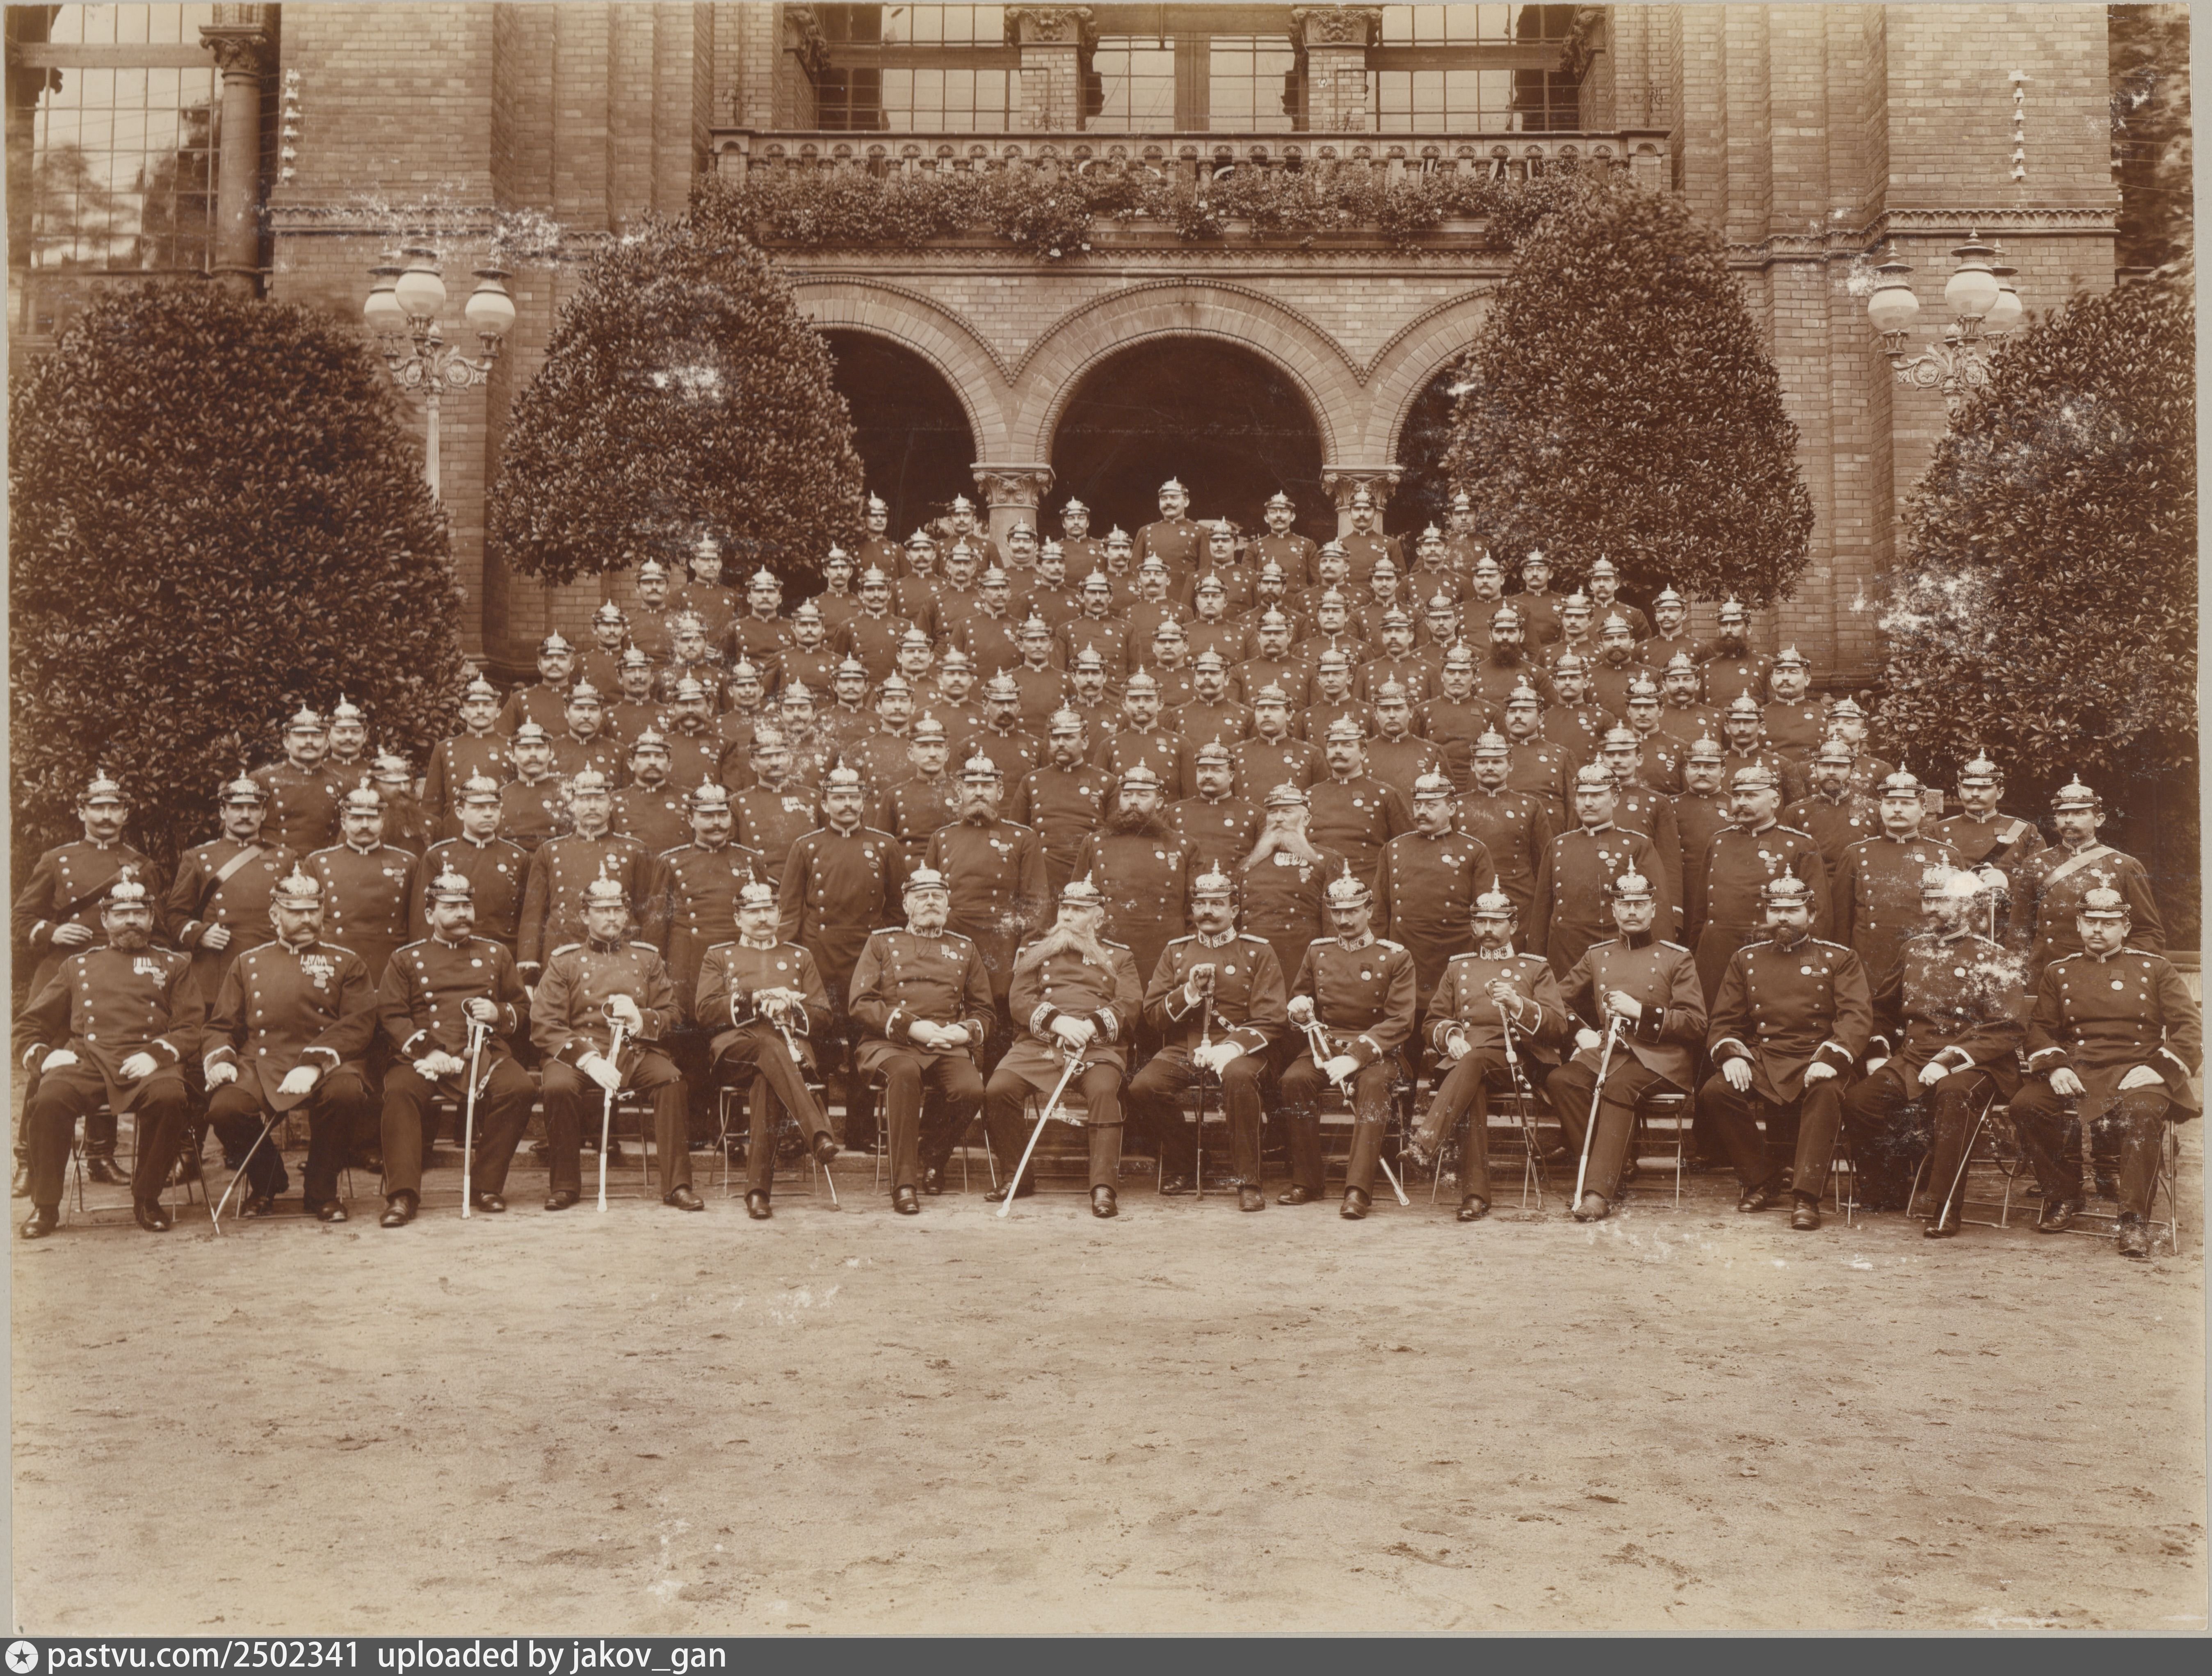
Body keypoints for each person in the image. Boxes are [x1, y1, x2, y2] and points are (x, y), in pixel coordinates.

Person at [2012, 887, 2199, 1257]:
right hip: (2079, 1068)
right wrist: (2055, 1066)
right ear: (2079, 924)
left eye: (2108, 923)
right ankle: (2064, 1195)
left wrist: (2158, 1069)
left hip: (2138, 1069)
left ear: (2125, 927)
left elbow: (2190, 1027)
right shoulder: (2058, 971)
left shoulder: (2155, 968)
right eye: (2091, 921)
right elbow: (2041, 1029)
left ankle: (2133, 1221)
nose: (2098, 929)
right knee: (2026, 1106)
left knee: (2142, 1112)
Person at [14, 872, 202, 1238]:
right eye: (121, 913)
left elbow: (191, 1026)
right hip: (88, 1061)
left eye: (139, 913)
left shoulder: (174, 965)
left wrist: (158, 1054)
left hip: (147, 1062)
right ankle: (45, 1206)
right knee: (49, 1098)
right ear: (105, 919)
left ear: (152, 918)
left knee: (169, 1097)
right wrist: (44, 1057)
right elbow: (29, 1024)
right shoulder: (77, 966)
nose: (131, 920)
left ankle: (148, 1198)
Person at [1840, 866, 2027, 1233]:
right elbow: (1882, 1008)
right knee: (1860, 1101)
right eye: (1927, 900)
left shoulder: (1995, 957)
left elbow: (2008, 1026)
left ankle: (1943, 1205)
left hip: (1976, 1064)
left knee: (1953, 1094)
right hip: (1914, 1058)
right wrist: (1877, 1051)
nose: (1931, 909)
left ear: (1967, 904)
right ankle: (1887, 1190)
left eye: (1943, 900)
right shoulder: (1912, 950)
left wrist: (1948, 1060)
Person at [196, 863, 379, 1225]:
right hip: (260, 1060)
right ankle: (266, 1179)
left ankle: (322, 1190)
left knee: (345, 1094)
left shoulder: (347, 962)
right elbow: (221, 1025)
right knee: (225, 1109)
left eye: (314, 910)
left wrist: (313, 1064)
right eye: (296, 911)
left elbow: (358, 1023)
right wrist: (221, 1060)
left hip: (329, 1061)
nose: (307, 919)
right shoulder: (247, 962)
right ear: (275, 915)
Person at [1699, 874, 1872, 1231]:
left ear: (1811, 913)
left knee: (1825, 1092)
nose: (1782, 917)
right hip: (1766, 1055)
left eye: (1792, 910)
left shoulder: (1839, 958)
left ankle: (1806, 1196)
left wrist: (1831, 1058)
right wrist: (1732, 1054)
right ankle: (1761, 1179)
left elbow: (1855, 1017)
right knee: (1716, 1091)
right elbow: (1724, 1020)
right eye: (1774, 909)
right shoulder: (1746, 959)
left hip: (1818, 1056)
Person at [530, 873, 701, 1213]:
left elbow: (672, 1013)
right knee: (557, 1087)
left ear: (626, 915)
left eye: (618, 910)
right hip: (579, 1055)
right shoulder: (564, 961)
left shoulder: (647, 959)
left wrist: (640, 1018)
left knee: (671, 1080)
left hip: (633, 1051)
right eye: (602, 910)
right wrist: (589, 1059)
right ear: (585, 916)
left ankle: (678, 1185)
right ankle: (564, 1184)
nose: (611, 917)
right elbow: (545, 1023)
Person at [377, 867, 536, 1222]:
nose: (462, 913)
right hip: (422, 1055)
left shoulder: (496, 953)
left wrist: (498, 1012)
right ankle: (402, 1195)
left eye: (467, 905)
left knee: (520, 1088)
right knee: (400, 1092)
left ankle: (486, 1185)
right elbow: (391, 1015)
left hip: (482, 1051)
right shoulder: (405, 958)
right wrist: (429, 1051)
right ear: (429, 914)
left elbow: (523, 1009)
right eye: (450, 907)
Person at [1547, 871, 1706, 1222]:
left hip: (1660, 1058)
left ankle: (1598, 1192)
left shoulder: (1676, 958)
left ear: (1653, 910)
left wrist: (1640, 1011)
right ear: (1614, 910)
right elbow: (1554, 999)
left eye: (1639, 904)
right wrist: (1579, 1031)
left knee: (1618, 1085)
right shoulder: (1597, 955)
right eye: (1624, 904)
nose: (1632, 911)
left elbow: (1695, 1023)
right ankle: (1616, 1167)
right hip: (1609, 1052)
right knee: (1563, 1080)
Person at [982, 878, 1144, 1218]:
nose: (1068, 916)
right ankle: (1018, 1175)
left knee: (1104, 1090)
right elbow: (1019, 1000)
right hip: (1039, 1045)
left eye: (1079, 910)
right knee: (998, 1089)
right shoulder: (1034, 952)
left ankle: (1103, 1186)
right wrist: (1058, 1023)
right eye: (1065, 908)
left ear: (1098, 918)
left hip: (1096, 1046)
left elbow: (1129, 1003)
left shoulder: (1120, 956)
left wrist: (1090, 1026)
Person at [1403, 882, 1565, 1223]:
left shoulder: (1535, 968)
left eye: (1496, 922)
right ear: (1473, 926)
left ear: (1513, 925)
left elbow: (1557, 1026)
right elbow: (1431, 1021)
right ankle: (1475, 1196)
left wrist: (1518, 1004)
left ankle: (1426, 1143)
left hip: (1516, 1059)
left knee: (1472, 1061)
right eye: (1481, 922)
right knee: (1471, 1080)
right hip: (1467, 1063)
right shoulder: (1457, 968)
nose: (1488, 929)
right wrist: (1451, 1036)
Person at [1128, 865, 1287, 1210]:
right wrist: (1187, 993)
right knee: (1143, 1087)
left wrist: (1231, 1047)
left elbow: (1273, 1018)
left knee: (1238, 1077)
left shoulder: (1257, 951)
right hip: (1185, 1048)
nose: (1207, 911)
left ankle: (1248, 1180)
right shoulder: (1176, 952)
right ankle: (1188, 1160)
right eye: (1200, 904)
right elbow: (1153, 1015)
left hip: (1244, 1050)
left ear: (1234, 910)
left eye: (1217, 904)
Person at [848, 867, 995, 1211]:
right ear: (906, 904)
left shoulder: (965, 948)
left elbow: (984, 1011)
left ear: (947, 903)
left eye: (937, 896)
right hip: (891, 1043)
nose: (931, 902)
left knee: (971, 1090)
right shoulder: (881, 942)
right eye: (922, 896)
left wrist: (963, 1031)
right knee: (904, 1074)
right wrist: (912, 1027)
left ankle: (933, 1157)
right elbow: (861, 1002)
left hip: (945, 1043)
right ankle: (904, 1184)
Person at [1279, 866, 1418, 1219]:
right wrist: (1299, 1011)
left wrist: (1356, 1056)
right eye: (1337, 912)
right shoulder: (1318, 952)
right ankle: (1307, 1180)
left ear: (1369, 911)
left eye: (1352, 911)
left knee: (1372, 1085)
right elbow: (1300, 1002)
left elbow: (1401, 1020)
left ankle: (1358, 1188)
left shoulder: (1395, 956)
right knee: (1294, 1080)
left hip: (1377, 1052)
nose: (1343, 920)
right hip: (1326, 1047)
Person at [699, 880, 838, 1220]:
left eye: (768, 910)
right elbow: (705, 1011)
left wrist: (790, 1010)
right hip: (736, 1049)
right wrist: (757, 999)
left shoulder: (800, 956)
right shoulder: (719, 955)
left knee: (767, 1078)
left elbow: (823, 1015)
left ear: (779, 913)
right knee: (766, 1048)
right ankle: (817, 1131)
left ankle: (758, 1193)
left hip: (786, 1053)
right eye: (753, 911)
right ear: (738, 918)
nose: (762, 917)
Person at [777, 765, 898, 1147]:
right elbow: (790, 911)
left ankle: (861, 1132)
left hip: (867, 961)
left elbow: (896, 912)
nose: (847, 804)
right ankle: (817, 1131)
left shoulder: (885, 845)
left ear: (863, 802)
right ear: (824, 803)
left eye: (853, 797)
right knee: (819, 1048)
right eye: (838, 798)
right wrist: (790, 964)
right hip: (820, 961)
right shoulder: (806, 846)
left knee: (864, 1045)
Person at [1693, 766, 1828, 1003]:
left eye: (1751, 796)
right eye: (1737, 796)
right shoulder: (1718, 842)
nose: (1741, 803)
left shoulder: (1799, 845)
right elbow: (1701, 912)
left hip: (1772, 950)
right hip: (1717, 953)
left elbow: (1818, 912)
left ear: (1775, 801)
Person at [163, 772, 298, 1009]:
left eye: (253, 808)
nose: (245, 815)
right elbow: (175, 916)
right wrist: (200, 934)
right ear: (223, 812)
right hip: (217, 974)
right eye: (237, 808)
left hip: (271, 968)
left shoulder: (286, 859)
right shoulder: (198, 857)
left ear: (263, 814)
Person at [2013, 776, 2164, 983]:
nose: (2069, 820)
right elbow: (2019, 931)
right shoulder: (2035, 864)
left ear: (2099, 819)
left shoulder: (2124, 866)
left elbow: (2149, 933)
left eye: (2079, 813)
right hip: (2045, 975)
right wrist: (2017, 978)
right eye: (2062, 814)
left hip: (2103, 976)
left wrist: (2120, 969)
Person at [517, 771, 656, 985]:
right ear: (572, 805)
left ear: (611, 805)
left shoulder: (634, 850)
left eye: (599, 799)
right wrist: (529, 971)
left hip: (619, 956)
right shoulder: (550, 851)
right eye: (584, 799)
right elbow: (533, 916)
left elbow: (646, 914)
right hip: (563, 955)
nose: (592, 806)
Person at [1529, 766, 1671, 977]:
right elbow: (1541, 916)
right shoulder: (1558, 846)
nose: (1588, 803)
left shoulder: (1637, 846)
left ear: (1615, 799)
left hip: (1616, 958)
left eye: (1596, 795)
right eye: (1582, 795)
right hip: (1564, 956)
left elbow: (1658, 913)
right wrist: (1534, 967)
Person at [1830, 769, 1962, 988]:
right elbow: (1841, 925)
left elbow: (1959, 921)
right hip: (1871, 965)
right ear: (1880, 807)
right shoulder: (1856, 854)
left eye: (1907, 803)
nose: (1897, 809)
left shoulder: (1946, 856)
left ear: (1923, 808)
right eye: (1890, 803)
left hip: (1926, 962)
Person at [1373, 773, 1495, 1010]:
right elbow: (1379, 914)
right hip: (1406, 957)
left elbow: (1485, 916)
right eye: (1418, 805)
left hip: (1452, 956)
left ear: (1452, 809)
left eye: (1431, 806)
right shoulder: (1393, 849)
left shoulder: (1474, 851)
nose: (1421, 812)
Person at [1070, 761, 1193, 992]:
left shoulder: (1184, 846)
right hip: (1108, 949)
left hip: (1164, 952)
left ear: (1159, 802)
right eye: (1127, 795)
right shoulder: (1094, 843)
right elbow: (1076, 905)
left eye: (1143, 795)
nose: (1133, 801)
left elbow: (1194, 913)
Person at [656, 781, 765, 1004]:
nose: (717, 823)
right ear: (690, 820)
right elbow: (657, 929)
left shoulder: (750, 860)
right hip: (689, 963)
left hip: (740, 959)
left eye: (723, 815)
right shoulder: (671, 862)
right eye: (707, 816)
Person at [305, 784, 418, 995]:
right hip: (336, 962)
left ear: (383, 822)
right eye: (357, 818)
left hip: (387, 964)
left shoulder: (407, 863)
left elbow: (416, 924)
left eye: (372, 818)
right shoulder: (318, 862)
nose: (365, 825)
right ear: (344, 822)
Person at [1237, 783, 1350, 991]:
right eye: (1273, 812)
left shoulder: (1326, 861)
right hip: (1252, 961)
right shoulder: (1248, 864)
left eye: (1287, 812)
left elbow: (1332, 924)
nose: (1278, 819)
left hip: (1301, 961)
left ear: (1306, 819)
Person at [1933, 751, 2046, 943]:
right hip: (1957, 930)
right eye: (1968, 787)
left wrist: (2009, 883)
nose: (1975, 793)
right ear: (1959, 790)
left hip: (2009, 930)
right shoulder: (1939, 831)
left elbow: (2044, 885)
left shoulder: (2024, 831)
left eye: (1984, 788)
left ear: (2000, 792)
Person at [1452, 731, 1554, 926]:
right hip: (1469, 900)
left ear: (1511, 765)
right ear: (1472, 766)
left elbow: (1544, 865)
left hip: (1519, 901)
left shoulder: (1530, 807)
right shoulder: (1457, 807)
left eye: (1497, 762)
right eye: (1483, 762)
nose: (1489, 767)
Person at [1307, 719, 1413, 888]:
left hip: (1367, 888)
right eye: (1333, 746)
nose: (1338, 751)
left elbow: (1406, 849)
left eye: (1347, 745)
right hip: (1319, 887)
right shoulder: (1310, 796)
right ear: (1326, 752)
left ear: (1363, 753)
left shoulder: (1386, 796)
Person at [1012, 711, 1108, 894]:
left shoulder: (1106, 782)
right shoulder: (1031, 782)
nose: (1061, 744)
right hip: (1043, 876)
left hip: (1089, 877)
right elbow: (1017, 837)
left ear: (1085, 742)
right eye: (1055, 738)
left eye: (1069, 737)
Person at [423, 675, 512, 839]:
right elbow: (432, 806)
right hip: (455, 835)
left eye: (488, 705)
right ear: (462, 712)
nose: (480, 711)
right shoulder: (444, 749)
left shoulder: (512, 747)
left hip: (500, 833)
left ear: (498, 712)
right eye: (473, 705)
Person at [498, 722, 570, 854]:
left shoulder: (567, 794)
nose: (533, 754)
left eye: (540, 748)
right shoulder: (501, 796)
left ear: (551, 754)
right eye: (525, 748)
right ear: (512, 756)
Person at [499, 633, 580, 736]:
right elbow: (501, 738)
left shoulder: (583, 698)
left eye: (562, 658)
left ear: (572, 665)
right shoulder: (519, 699)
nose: (554, 663)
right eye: (548, 658)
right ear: (539, 665)